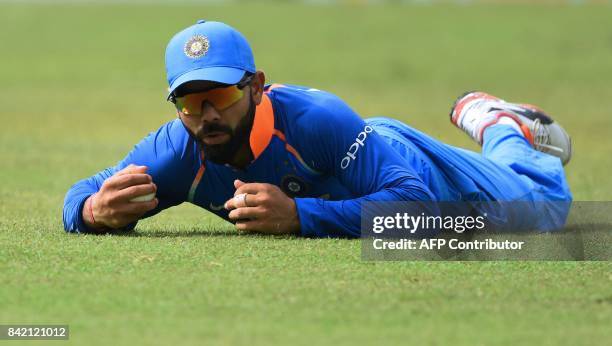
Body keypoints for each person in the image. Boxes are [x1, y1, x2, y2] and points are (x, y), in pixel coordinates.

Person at [62, 20, 572, 238]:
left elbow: (414, 203)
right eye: (189, 103)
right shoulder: (178, 150)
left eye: (219, 96)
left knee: (546, 210)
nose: (207, 116)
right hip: (364, 157)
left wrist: (300, 216)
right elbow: (83, 193)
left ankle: (500, 123)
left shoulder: (315, 118)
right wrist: (92, 210)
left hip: (401, 162)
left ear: (256, 87)